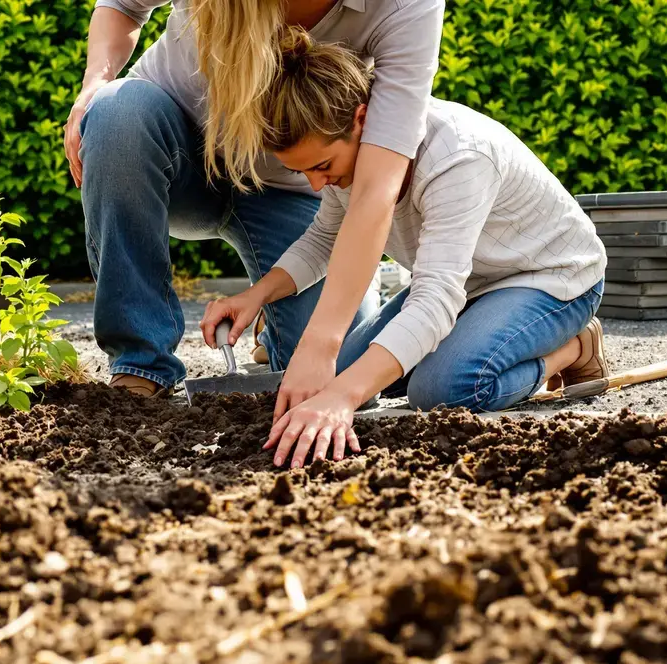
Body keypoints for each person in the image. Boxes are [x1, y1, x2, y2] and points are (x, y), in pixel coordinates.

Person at [200, 30, 609, 468]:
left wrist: (342, 398)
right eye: (305, 174)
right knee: (338, 373)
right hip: (470, 285)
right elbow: (324, 240)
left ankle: (574, 347)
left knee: (443, 391)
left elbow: (435, 298)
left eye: (322, 167)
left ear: (360, 120)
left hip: (550, 280)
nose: (317, 185)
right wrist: (255, 295)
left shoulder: (457, 157)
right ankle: (483, 336)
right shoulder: (354, 158)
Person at [64, 0, 445, 397]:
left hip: (290, 190)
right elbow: (123, 5)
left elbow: (373, 188)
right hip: (176, 156)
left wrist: (322, 344)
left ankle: (270, 314)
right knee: (114, 113)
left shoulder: (406, 6)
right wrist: (96, 80)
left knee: (340, 359)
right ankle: (141, 362)